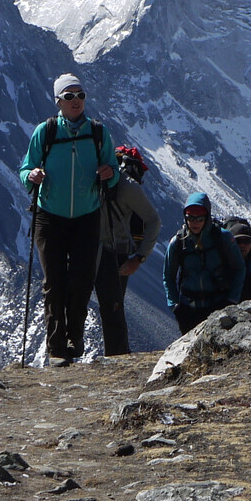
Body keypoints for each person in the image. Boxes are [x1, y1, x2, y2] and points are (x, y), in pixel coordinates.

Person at [19, 73, 119, 366]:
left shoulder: (99, 133)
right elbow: (26, 167)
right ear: (58, 101)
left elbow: (113, 170)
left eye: (80, 95)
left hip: (87, 216)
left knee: (81, 280)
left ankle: (75, 337)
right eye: (69, 96)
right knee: (54, 283)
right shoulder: (46, 131)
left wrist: (110, 175)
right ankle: (57, 347)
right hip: (49, 216)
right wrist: (32, 176)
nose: (76, 101)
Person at [96, 145, 162, 355]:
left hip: (104, 251)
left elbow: (153, 221)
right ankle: (117, 357)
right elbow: (153, 221)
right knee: (112, 309)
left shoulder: (125, 187)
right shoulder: (128, 186)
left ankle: (115, 356)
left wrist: (139, 257)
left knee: (110, 310)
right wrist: (139, 257)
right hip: (114, 252)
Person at [163, 192, 245, 335]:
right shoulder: (178, 243)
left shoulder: (223, 238)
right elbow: (168, 276)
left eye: (199, 218)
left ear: (206, 217)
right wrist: (175, 305)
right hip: (188, 310)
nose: (194, 222)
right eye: (190, 217)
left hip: (218, 306)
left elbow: (239, 268)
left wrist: (231, 300)